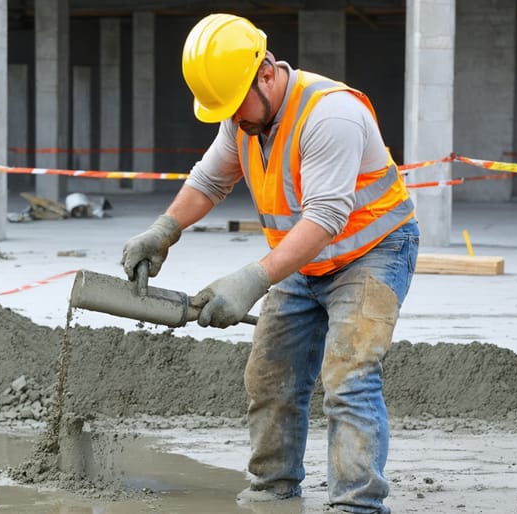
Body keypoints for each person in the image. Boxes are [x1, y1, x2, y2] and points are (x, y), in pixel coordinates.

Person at [121, 13, 419, 514]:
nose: (234, 118)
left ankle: (357, 505)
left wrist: (252, 280)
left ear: (265, 72)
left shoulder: (330, 115)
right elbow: (210, 180)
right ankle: (273, 489)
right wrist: (164, 230)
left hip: (373, 252)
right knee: (269, 374)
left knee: (349, 376)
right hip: (305, 262)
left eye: (237, 106)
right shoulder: (243, 118)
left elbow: (325, 217)